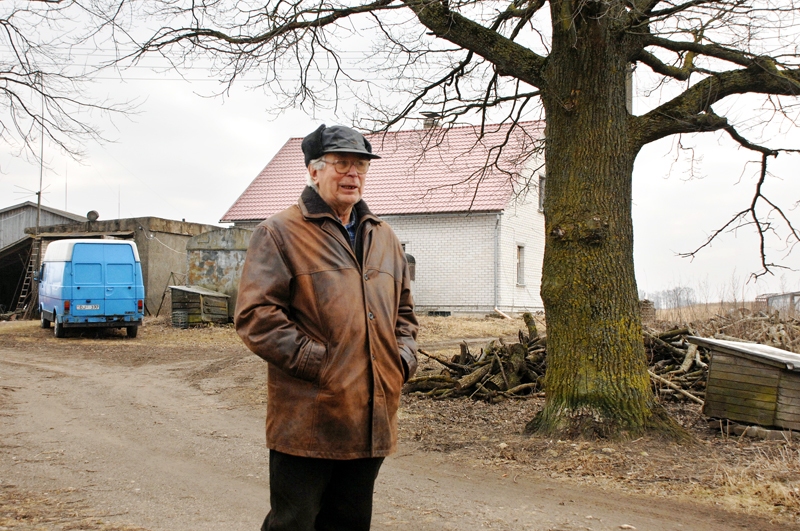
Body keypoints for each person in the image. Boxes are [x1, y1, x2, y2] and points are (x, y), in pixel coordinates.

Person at [235, 124, 418, 531]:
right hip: (309, 416)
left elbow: (404, 314)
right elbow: (255, 317)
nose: (353, 173)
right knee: (294, 523)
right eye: (341, 163)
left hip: (371, 414)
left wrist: (400, 360)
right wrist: (322, 364)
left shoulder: (384, 237)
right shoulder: (279, 232)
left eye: (360, 165)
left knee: (350, 522)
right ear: (314, 171)